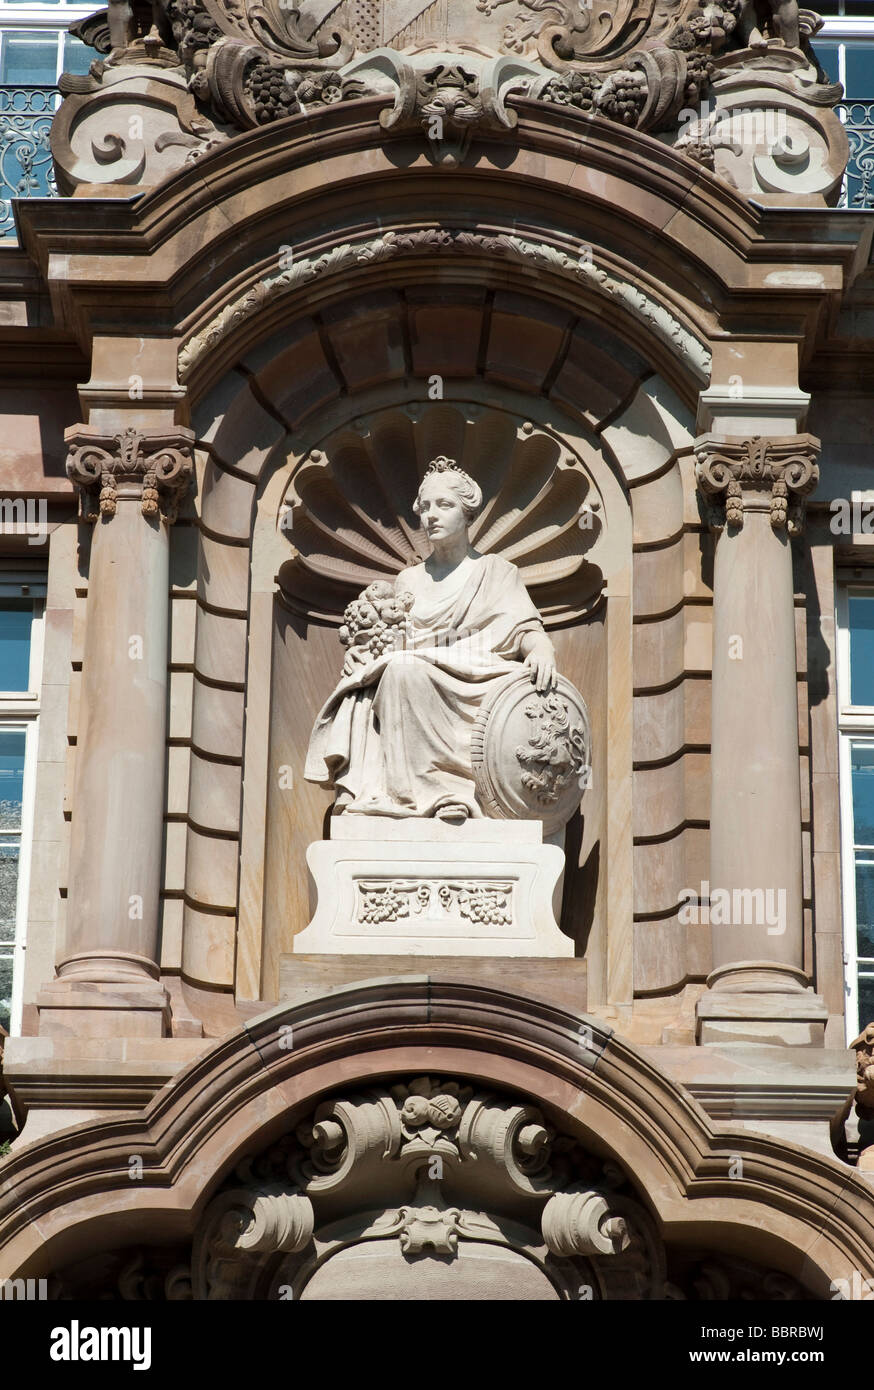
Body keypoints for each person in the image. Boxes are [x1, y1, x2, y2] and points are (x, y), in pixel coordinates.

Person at [304, 456, 558, 821]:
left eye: (444, 505)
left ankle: (452, 792)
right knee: (395, 672)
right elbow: (394, 641)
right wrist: (363, 657)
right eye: (424, 507)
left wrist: (542, 649)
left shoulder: (497, 572)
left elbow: (526, 630)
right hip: (419, 675)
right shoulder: (409, 581)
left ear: (467, 513)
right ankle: (416, 796)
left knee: (405, 670)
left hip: (484, 678)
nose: (431, 516)